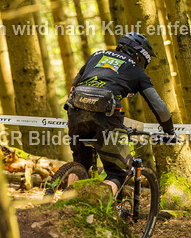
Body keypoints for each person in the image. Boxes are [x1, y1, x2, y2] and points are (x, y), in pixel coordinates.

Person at [63, 32, 178, 196]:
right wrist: (170, 131)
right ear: (139, 56)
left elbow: (74, 85)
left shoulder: (97, 55)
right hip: (106, 116)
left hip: (76, 110)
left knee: (80, 162)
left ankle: (65, 204)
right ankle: (100, 204)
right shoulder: (137, 71)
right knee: (118, 172)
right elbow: (158, 106)